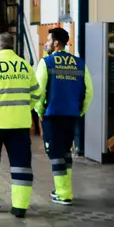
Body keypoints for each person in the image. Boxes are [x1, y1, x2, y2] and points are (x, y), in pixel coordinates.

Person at [0, 32, 39, 218]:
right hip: (20, 125)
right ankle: (19, 207)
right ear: (12, 46)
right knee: (21, 165)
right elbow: (36, 93)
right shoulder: (25, 65)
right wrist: (23, 109)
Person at [34, 28, 93, 205]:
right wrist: (80, 111)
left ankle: (63, 193)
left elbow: (38, 92)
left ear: (56, 43)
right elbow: (89, 91)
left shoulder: (47, 63)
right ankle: (64, 189)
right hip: (71, 116)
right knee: (65, 152)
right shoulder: (80, 63)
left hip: (53, 115)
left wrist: (39, 111)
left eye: (48, 40)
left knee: (55, 153)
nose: (46, 43)